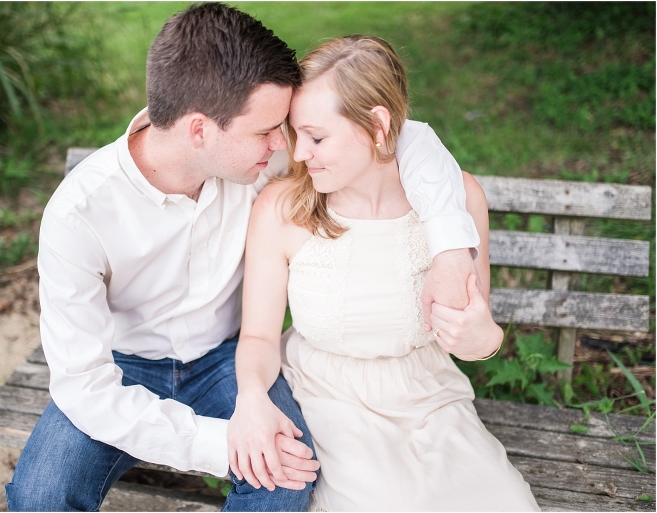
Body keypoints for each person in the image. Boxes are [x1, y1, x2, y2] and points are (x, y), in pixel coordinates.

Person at [5, 3, 481, 511]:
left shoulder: (252, 155)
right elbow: (85, 388)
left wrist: (452, 249)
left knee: (286, 478)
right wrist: (223, 446)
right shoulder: (78, 214)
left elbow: (400, 136)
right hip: (121, 370)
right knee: (40, 496)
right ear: (199, 131)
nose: (286, 146)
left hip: (226, 361)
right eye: (267, 131)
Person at [228, 35, 540, 511]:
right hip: (327, 399)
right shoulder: (282, 209)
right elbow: (258, 337)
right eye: (296, 134)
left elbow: (478, 341)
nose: (300, 153)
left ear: (377, 125)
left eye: (317, 136)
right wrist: (251, 396)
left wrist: (483, 337)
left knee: (507, 504)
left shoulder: (456, 203)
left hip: (429, 398)